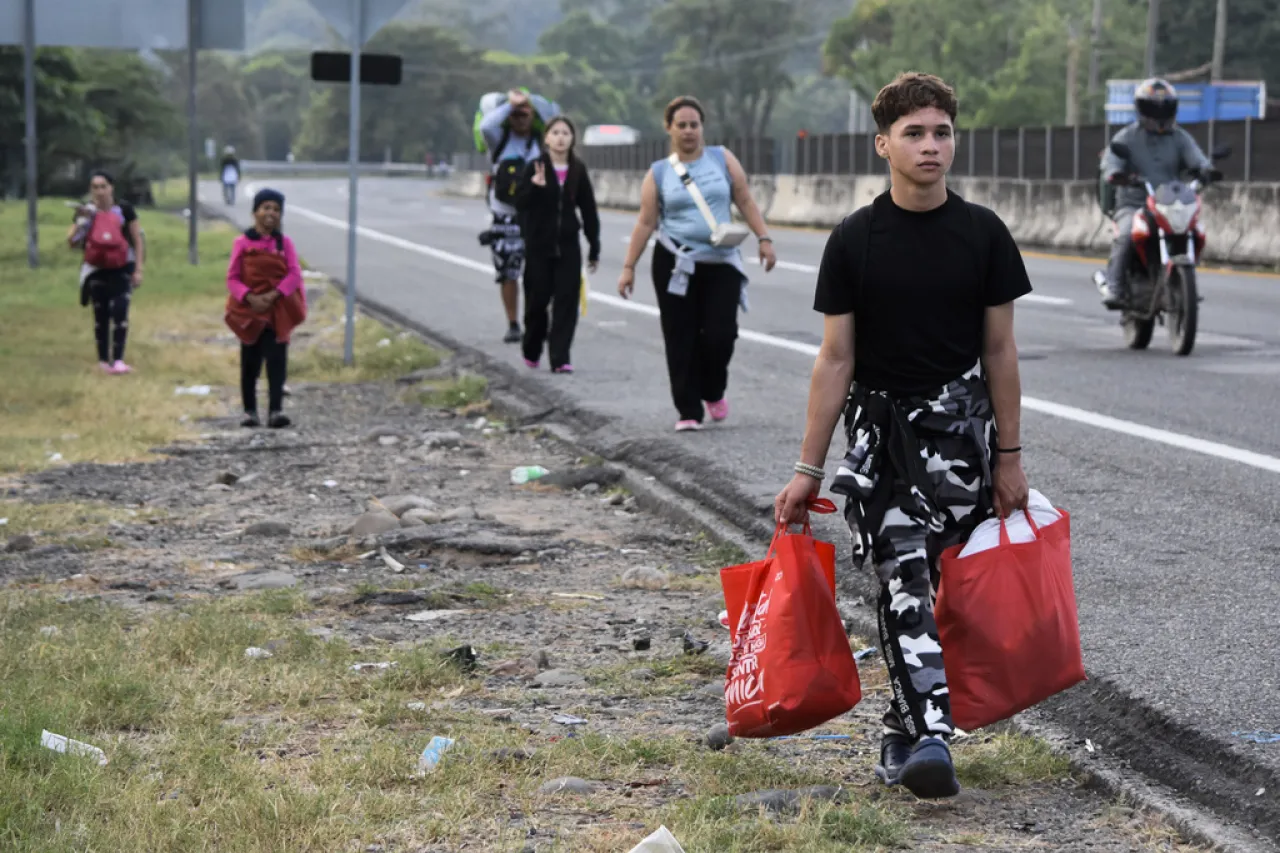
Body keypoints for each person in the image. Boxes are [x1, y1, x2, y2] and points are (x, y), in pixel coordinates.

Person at [774, 72, 1033, 799]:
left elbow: (1001, 353)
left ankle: (901, 723)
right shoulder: (854, 240)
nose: (930, 145)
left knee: (950, 589)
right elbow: (835, 358)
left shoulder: (984, 233)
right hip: (883, 440)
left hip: (961, 441)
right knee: (905, 583)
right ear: (883, 143)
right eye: (914, 133)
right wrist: (807, 467)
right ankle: (931, 741)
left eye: (941, 131)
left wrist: (1009, 457)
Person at [617, 95, 776, 432]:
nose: (689, 131)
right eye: (682, 125)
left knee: (722, 334)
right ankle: (688, 409)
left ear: (702, 127)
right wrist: (629, 266)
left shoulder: (722, 159)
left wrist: (764, 238)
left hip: (721, 262)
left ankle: (713, 389)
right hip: (675, 262)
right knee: (680, 335)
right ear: (669, 129)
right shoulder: (658, 173)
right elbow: (645, 223)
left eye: (694, 124)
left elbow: (745, 199)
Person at [1097, 78, 1212, 309]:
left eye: (1164, 108)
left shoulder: (1180, 138)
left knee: (1195, 231)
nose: (1158, 114)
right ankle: (1114, 285)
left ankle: (1183, 283)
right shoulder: (1126, 137)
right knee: (1127, 234)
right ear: (1141, 109)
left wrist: (1206, 171)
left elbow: (1198, 160)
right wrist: (1117, 174)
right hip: (1134, 202)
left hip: (1169, 203)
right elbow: (1111, 161)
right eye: (1152, 108)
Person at [513, 115, 601, 374]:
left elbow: (588, 209)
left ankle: (560, 357)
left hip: (568, 246)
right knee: (537, 303)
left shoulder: (577, 169)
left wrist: (594, 245)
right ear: (547, 138)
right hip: (539, 246)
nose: (561, 137)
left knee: (566, 303)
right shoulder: (535, 167)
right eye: (556, 133)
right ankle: (531, 347)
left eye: (566, 133)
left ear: (572, 138)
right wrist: (535, 187)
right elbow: (520, 204)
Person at [479, 89, 560, 344]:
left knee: (541, 272)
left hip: (536, 214)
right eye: (515, 115)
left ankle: (539, 321)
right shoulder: (498, 139)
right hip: (505, 214)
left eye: (525, 115)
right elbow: (486, 124)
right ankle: (513, 323)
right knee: (508, 272)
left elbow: (555, 117)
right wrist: (511, 104)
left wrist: (528, 100)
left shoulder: (541, 141)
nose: (520, 119)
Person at [225, 188, 306, 429]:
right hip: (249, 312)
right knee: (250, 362)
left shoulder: (285, 244)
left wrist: (274, 295)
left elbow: (294, 274)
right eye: (266, 208)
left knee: (276, 361)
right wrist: (249, 297)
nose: (271, 213)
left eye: (276, 209)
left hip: (277, 311)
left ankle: (275, 411)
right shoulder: (241, 242)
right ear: (255, 212)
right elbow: (233, 278)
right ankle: (250, 412)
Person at [68, 170, 145, 375]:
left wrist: (138, 269)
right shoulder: (86, 210)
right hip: (96, 270)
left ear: (111, 187)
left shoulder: (125, 209)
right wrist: (81, 221)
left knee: (120, 313)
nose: (100, 191)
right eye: (95, 187)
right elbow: (72, 242)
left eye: (103, 186)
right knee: (100, 315)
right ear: (90, 189)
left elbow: (137, 239)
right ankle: (103, 360)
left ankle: (118, 359)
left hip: (122, 268)